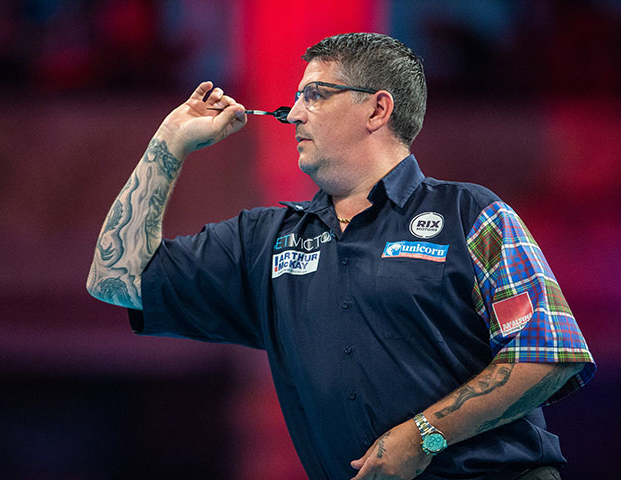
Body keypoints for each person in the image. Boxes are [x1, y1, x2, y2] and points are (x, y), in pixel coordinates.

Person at [86, 33, 595, 480]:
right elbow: (116, 278)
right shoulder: (263, 241)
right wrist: (169, 143)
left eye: (315, 94)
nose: (294, 114)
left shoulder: (470, 213)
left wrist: (424, 436)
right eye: (296, 98)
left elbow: (548, 355)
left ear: (377, 109)